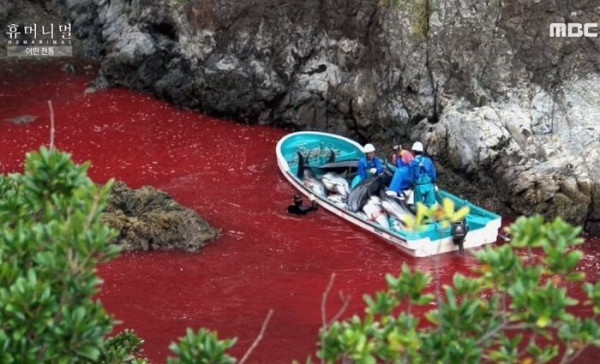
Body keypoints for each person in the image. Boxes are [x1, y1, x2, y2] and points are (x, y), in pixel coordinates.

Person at [410, 141, 438, 206]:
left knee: (418, 206)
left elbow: (411, 178)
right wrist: (434, 183)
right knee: (431, 205)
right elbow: (433, 174)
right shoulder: (428, 160)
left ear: (413, 152)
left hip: (418, 187)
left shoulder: (412, 163)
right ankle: (430, 215)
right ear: (422, 152)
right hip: (429, 186)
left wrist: (411, 187)